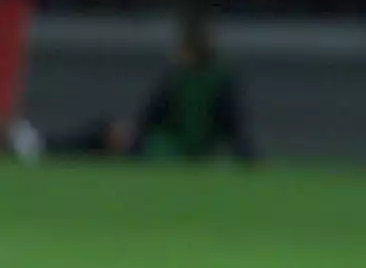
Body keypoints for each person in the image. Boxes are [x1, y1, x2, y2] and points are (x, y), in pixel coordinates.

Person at [6, 14, 256, 164]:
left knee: (102, 133)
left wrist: (135, 132)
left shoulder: (185, 79)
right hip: (181, 148)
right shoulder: (221, 79)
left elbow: (154, 115)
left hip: (169, 150)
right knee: (107, 132)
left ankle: (41, 146)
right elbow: (234, 127)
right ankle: (39, 145)